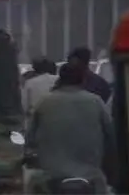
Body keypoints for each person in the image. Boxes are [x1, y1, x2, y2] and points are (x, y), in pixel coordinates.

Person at [26, 62, 115, 194]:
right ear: (83, 79)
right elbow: (111, 135)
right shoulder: (95, 101)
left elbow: (30, 138)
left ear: (60, 78)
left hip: (52, 177)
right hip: (90, 176)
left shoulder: (44, 102)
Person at [22, 57, 57, 125]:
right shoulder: (58, 80)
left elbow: (24, 105)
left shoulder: (30, 83)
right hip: (57, 118)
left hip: (37, 120)